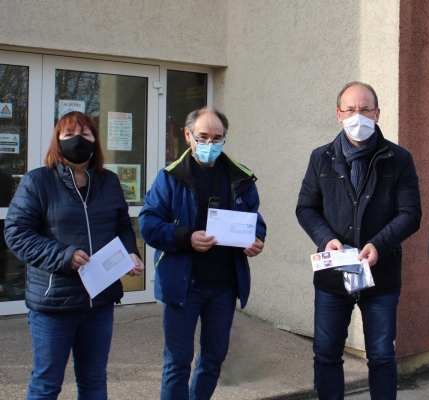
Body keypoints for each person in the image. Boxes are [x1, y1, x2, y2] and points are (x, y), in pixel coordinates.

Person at [4, 111, 144, 400]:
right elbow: (17, 233)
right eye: (69, 134)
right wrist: (63, 255)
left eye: (86, 134)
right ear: (57, 141)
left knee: (94, 382)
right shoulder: (37, 182)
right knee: (47, 384)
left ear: (95, 140)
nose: (78, 140)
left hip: (100, 301)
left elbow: (122, 226)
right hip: (53, 302)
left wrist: (131, 251)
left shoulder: (109, 181)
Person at [296, 82, 422, 399]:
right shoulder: (320, 158)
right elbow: (306, 208)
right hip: (333, 274)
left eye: (365, 109)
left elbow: (410, 213)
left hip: (380, 275)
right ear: (339, 114)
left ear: (377, 113)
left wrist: (379, 244)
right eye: (350, 109)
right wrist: (326, 238)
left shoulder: (399, 159)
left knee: (381, 356)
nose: (358, 116)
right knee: (326, 355)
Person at [139, 107, 266, 400]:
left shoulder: (240, 176)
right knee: (178, 363)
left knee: (213, 360)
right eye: (203, 137)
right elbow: (148, 224)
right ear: (188, 136)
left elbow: (254, 217)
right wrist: (185, 237)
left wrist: (256, 237)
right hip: (184, 284)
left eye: (217, 138)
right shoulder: (170, 178)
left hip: (224, 286)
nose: (210, 144)